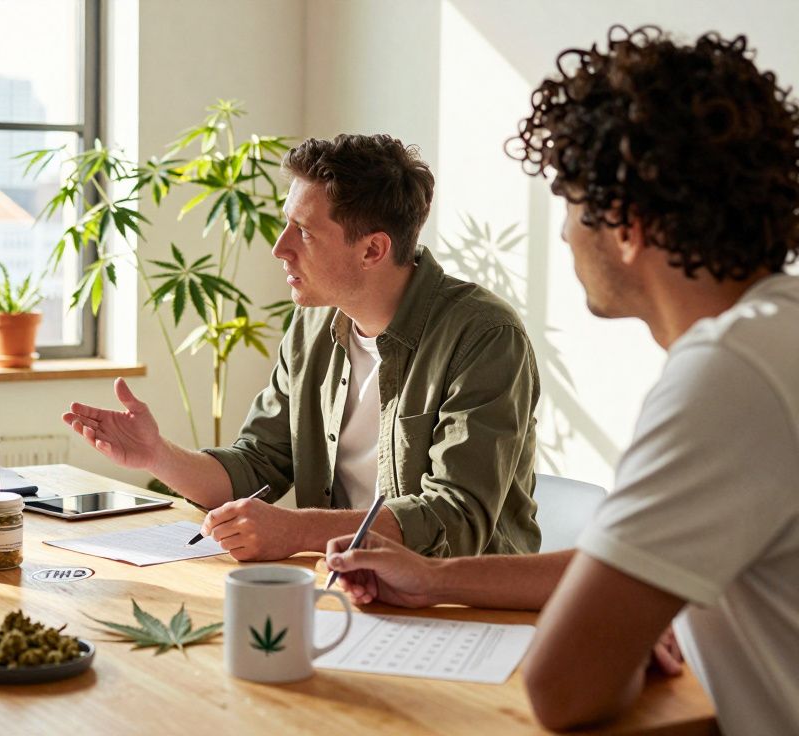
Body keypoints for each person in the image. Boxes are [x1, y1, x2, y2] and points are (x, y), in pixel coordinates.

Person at [325, 26, 799, 733]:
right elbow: (617, 563)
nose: (569, 234)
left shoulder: (726, 374)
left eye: (572, 204)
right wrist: (434, 579)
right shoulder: (773, 338)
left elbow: (561, 689)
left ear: (629, 225)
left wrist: (623, 639)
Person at [65, 134, 541, 561]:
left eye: (305, 232)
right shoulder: (312, 325)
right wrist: (157, 456)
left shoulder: (484, 335)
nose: (280, 248)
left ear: (372, 250)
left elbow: (454, 521)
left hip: (463, 608)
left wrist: (297, 532)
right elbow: (256, 464)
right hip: (349, 588)